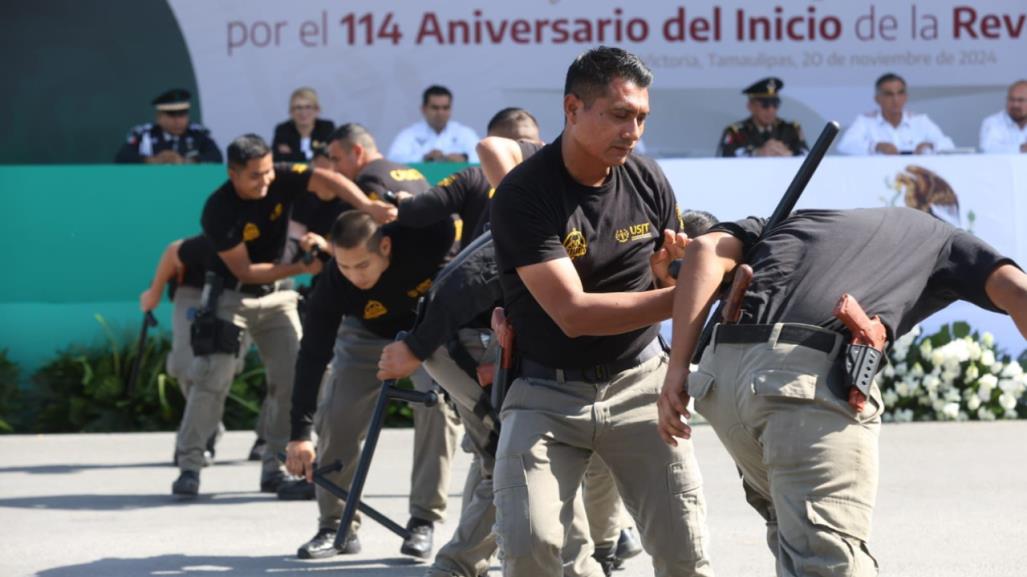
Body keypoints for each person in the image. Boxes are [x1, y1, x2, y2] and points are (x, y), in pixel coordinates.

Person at [658, 207, 1027, 577]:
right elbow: (1018, 292)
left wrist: (677, 371)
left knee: (792, 533)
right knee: (830, 563)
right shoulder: (946, 241)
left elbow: (704, 251)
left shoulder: (794, 219)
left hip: (720, 385)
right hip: (799, 384)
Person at [488, 46, 714, 577]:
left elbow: (666, 278)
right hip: (545, 394)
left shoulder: (649, 178)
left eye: (641, 117)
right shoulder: (524, 194)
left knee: (686, 556)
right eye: (619, 115)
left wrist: (672, 275)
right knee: (528, 548)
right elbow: (574, 313)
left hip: (640, 384)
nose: (633, 131)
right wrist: (693, 294)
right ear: (572, 109)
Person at [170, 134, 391, 498]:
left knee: (294, 377)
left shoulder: (281, 176)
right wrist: (299, 266)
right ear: (233, 174)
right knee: (213, 378)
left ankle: (276, 469)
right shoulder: (218, 210)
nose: (266, 181)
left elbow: (328, 179)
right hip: (231, 298)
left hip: (278, 298)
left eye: (269, 171)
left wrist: (367, 208)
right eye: (255, 175)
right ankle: (190, 465)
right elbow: (245, 272)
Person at [285, 210, 456, 560]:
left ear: (386, 246)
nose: (353, 276)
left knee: (436, 405)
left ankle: (423, 520)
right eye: (344, 266)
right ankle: (336, 526)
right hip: (363, 335)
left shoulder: (421, 244)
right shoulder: (335, 282)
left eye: (362, 265)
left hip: (424, 332)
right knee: (337, 414)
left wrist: (410, 205)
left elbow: (452, 212)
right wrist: (299, 433)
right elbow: (312, 355)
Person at [837, 73, 955, 155]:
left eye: (900, 93)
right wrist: (876, 147)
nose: (895, 99)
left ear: (906, 97)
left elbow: (949, 145)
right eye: (889, 94)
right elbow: (845, 145)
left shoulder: (920, 120)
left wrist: (930, 145)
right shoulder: (865, 121)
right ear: (877, 99)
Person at [115, 88, 222, 164]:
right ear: (159, 117)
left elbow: (216, 157)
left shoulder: (198, 134)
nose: (178, 121)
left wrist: (187, 161)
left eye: (182, 115)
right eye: (172, 115)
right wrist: (151, 160)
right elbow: (122, 157)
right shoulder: (144, 134)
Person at [717, 77, 807, 157]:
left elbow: (806, 154)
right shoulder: (736, 132)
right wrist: (758, 153)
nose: (771, 110)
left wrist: (789, 154)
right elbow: (724, 157)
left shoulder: (791, 129)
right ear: (750, 106)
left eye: (775, 104)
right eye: (765, 105)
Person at [388, 85, 480, 163]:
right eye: (435, 108)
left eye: (445, 108)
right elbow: (393, 160)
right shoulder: (409, 134)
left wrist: (465, 158)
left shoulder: (465, 133)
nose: (440, 113)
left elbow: (483, 159)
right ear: (423, 109)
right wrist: (423, 158)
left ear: (451, 109)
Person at [272, 87, 336, 162]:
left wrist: (293, 155)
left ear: (317, 110)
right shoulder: (283, 130)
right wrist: (314, 155)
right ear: (291, 111)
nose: (303, 112)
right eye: (298, 108)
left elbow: (331, 157)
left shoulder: (327, 128)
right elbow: (277, 159)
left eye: (308, 107)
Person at [979, 80, 1027, 154]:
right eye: (1011, 99)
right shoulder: (992, 122)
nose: (1015, 105)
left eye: (1020, 100)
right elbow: (988, 149)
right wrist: (1021, 148)